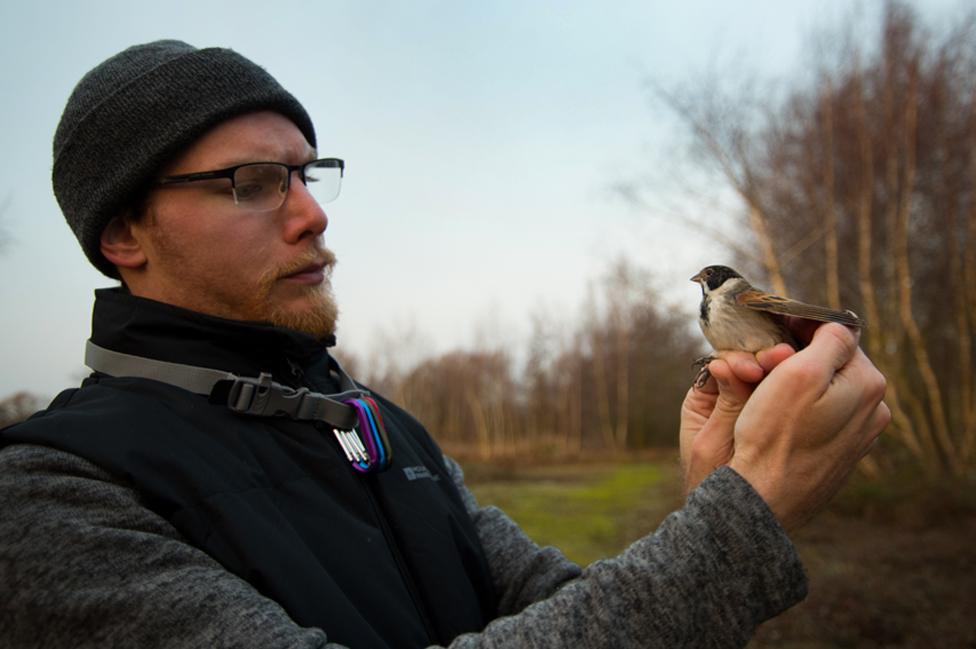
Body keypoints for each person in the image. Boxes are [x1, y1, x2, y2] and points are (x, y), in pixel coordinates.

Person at [0, 40, 889, 649]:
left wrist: (711, 507)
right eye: (253, 184)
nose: (311, 213)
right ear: (125, 233)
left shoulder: (381, 427)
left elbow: (564, 610)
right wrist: (744, 520)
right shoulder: (52, 493)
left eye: (308, 175)